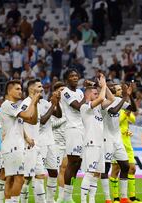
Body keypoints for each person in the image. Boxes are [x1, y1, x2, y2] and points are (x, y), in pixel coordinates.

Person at [0, 80, 38, 202]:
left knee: (10, 178)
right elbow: (27, 116)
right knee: (20, 177)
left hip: (13, 145)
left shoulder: (15, 107)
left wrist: (34, 104)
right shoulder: (8, 105)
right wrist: (34, 101)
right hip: (13, 146)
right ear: (9, 91)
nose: (20, 91)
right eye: (17, 89)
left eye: (21, 89)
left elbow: (33, 120)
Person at [100, 82, 137, 203]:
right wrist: (125, 97)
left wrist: (130, 96)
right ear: (112, 91)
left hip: (117, 139)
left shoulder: (118, 99)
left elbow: (133, 109)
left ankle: (124, 197)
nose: (121, 90)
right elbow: (113, 111)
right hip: (106, 139)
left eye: (121, 89)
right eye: (119, 89)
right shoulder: (105, 101)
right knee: (106, 168)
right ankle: (107, 198)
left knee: (125, 166)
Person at [80, 74, 113, 203]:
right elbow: (101, 99)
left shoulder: (98, 108)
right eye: (94, 93)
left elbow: (111, 99)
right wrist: (103, 86)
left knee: (97, 174)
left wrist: (104, 87)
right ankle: (84, 200)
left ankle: (91, 200)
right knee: (90, 172)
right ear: (88, 95)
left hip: (100, 144)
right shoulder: (84, 107)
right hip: (91, 143)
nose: (97, 94)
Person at [60, 69, 86, 203]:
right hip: (72, 129)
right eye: (72, 76)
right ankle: (66, 197)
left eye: (76, 75)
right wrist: (88, 94)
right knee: (72, 162)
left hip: (82, 129)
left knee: (78, 163)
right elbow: (77, 107)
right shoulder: (65, 92)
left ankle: (68, 194)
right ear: (66, 79)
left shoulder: (80, 92)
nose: (75, 77)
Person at [110, 108, 142, 203]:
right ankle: (116, 198)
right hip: (116, 142)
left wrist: (128, 113)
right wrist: (125, 114)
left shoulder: (125, 108)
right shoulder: (113, 107)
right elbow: (116, 122)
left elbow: (133, 120)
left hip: (127, 143)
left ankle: (132, 198)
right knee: (116, 169)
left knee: (132, 168)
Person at [38, 83, 63, 203]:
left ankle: (50, 200)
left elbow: (58, 114)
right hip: (38, 142)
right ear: (32, 89)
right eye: (39, 87)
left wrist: (56, 102)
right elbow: (42, 121)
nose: (42, 89)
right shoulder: (28, 104)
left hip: (50, 141)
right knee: (39, 173)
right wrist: (53, 103)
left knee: (53, 171)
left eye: (42, 87)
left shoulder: (44, 103)